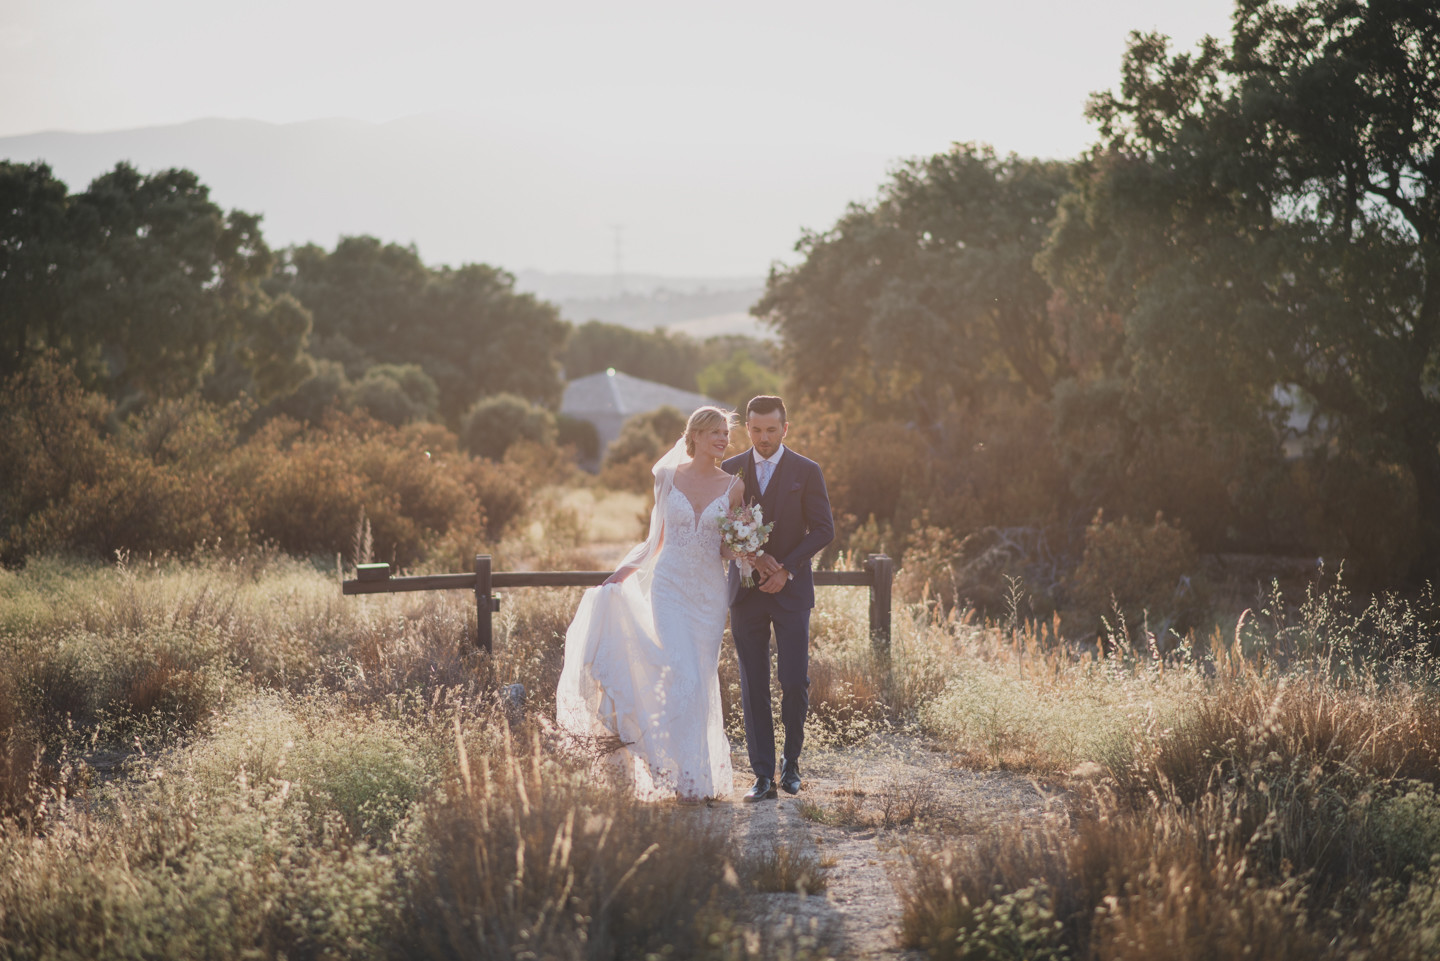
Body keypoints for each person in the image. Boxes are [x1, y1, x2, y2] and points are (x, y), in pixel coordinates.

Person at [556, 406, 742, 801]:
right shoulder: (666, 477)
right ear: (694, 436)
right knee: (683, 675)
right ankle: (669, 769)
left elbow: (726, 548)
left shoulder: (734, 487)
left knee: (701, 681)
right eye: (715, 433)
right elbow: (656, 538)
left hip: (710, 593)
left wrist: (745, 543)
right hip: (669, 586)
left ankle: (696, 779)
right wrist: (624, 572)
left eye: (726, 433)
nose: (723, 440)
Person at [722, 396, 834, 802]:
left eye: (771, 430)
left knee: (793, 681)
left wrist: (785, 568)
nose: (763, 437)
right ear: (747, 428)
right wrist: (752, 558)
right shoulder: (729, 470)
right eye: (756, 429)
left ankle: (792, 764)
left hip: (792, 593)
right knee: (753, 684)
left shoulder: (807, 471)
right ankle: (762, 776)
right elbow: (722, 531)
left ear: (785, 428)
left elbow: (824, 530)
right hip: (745, 594)